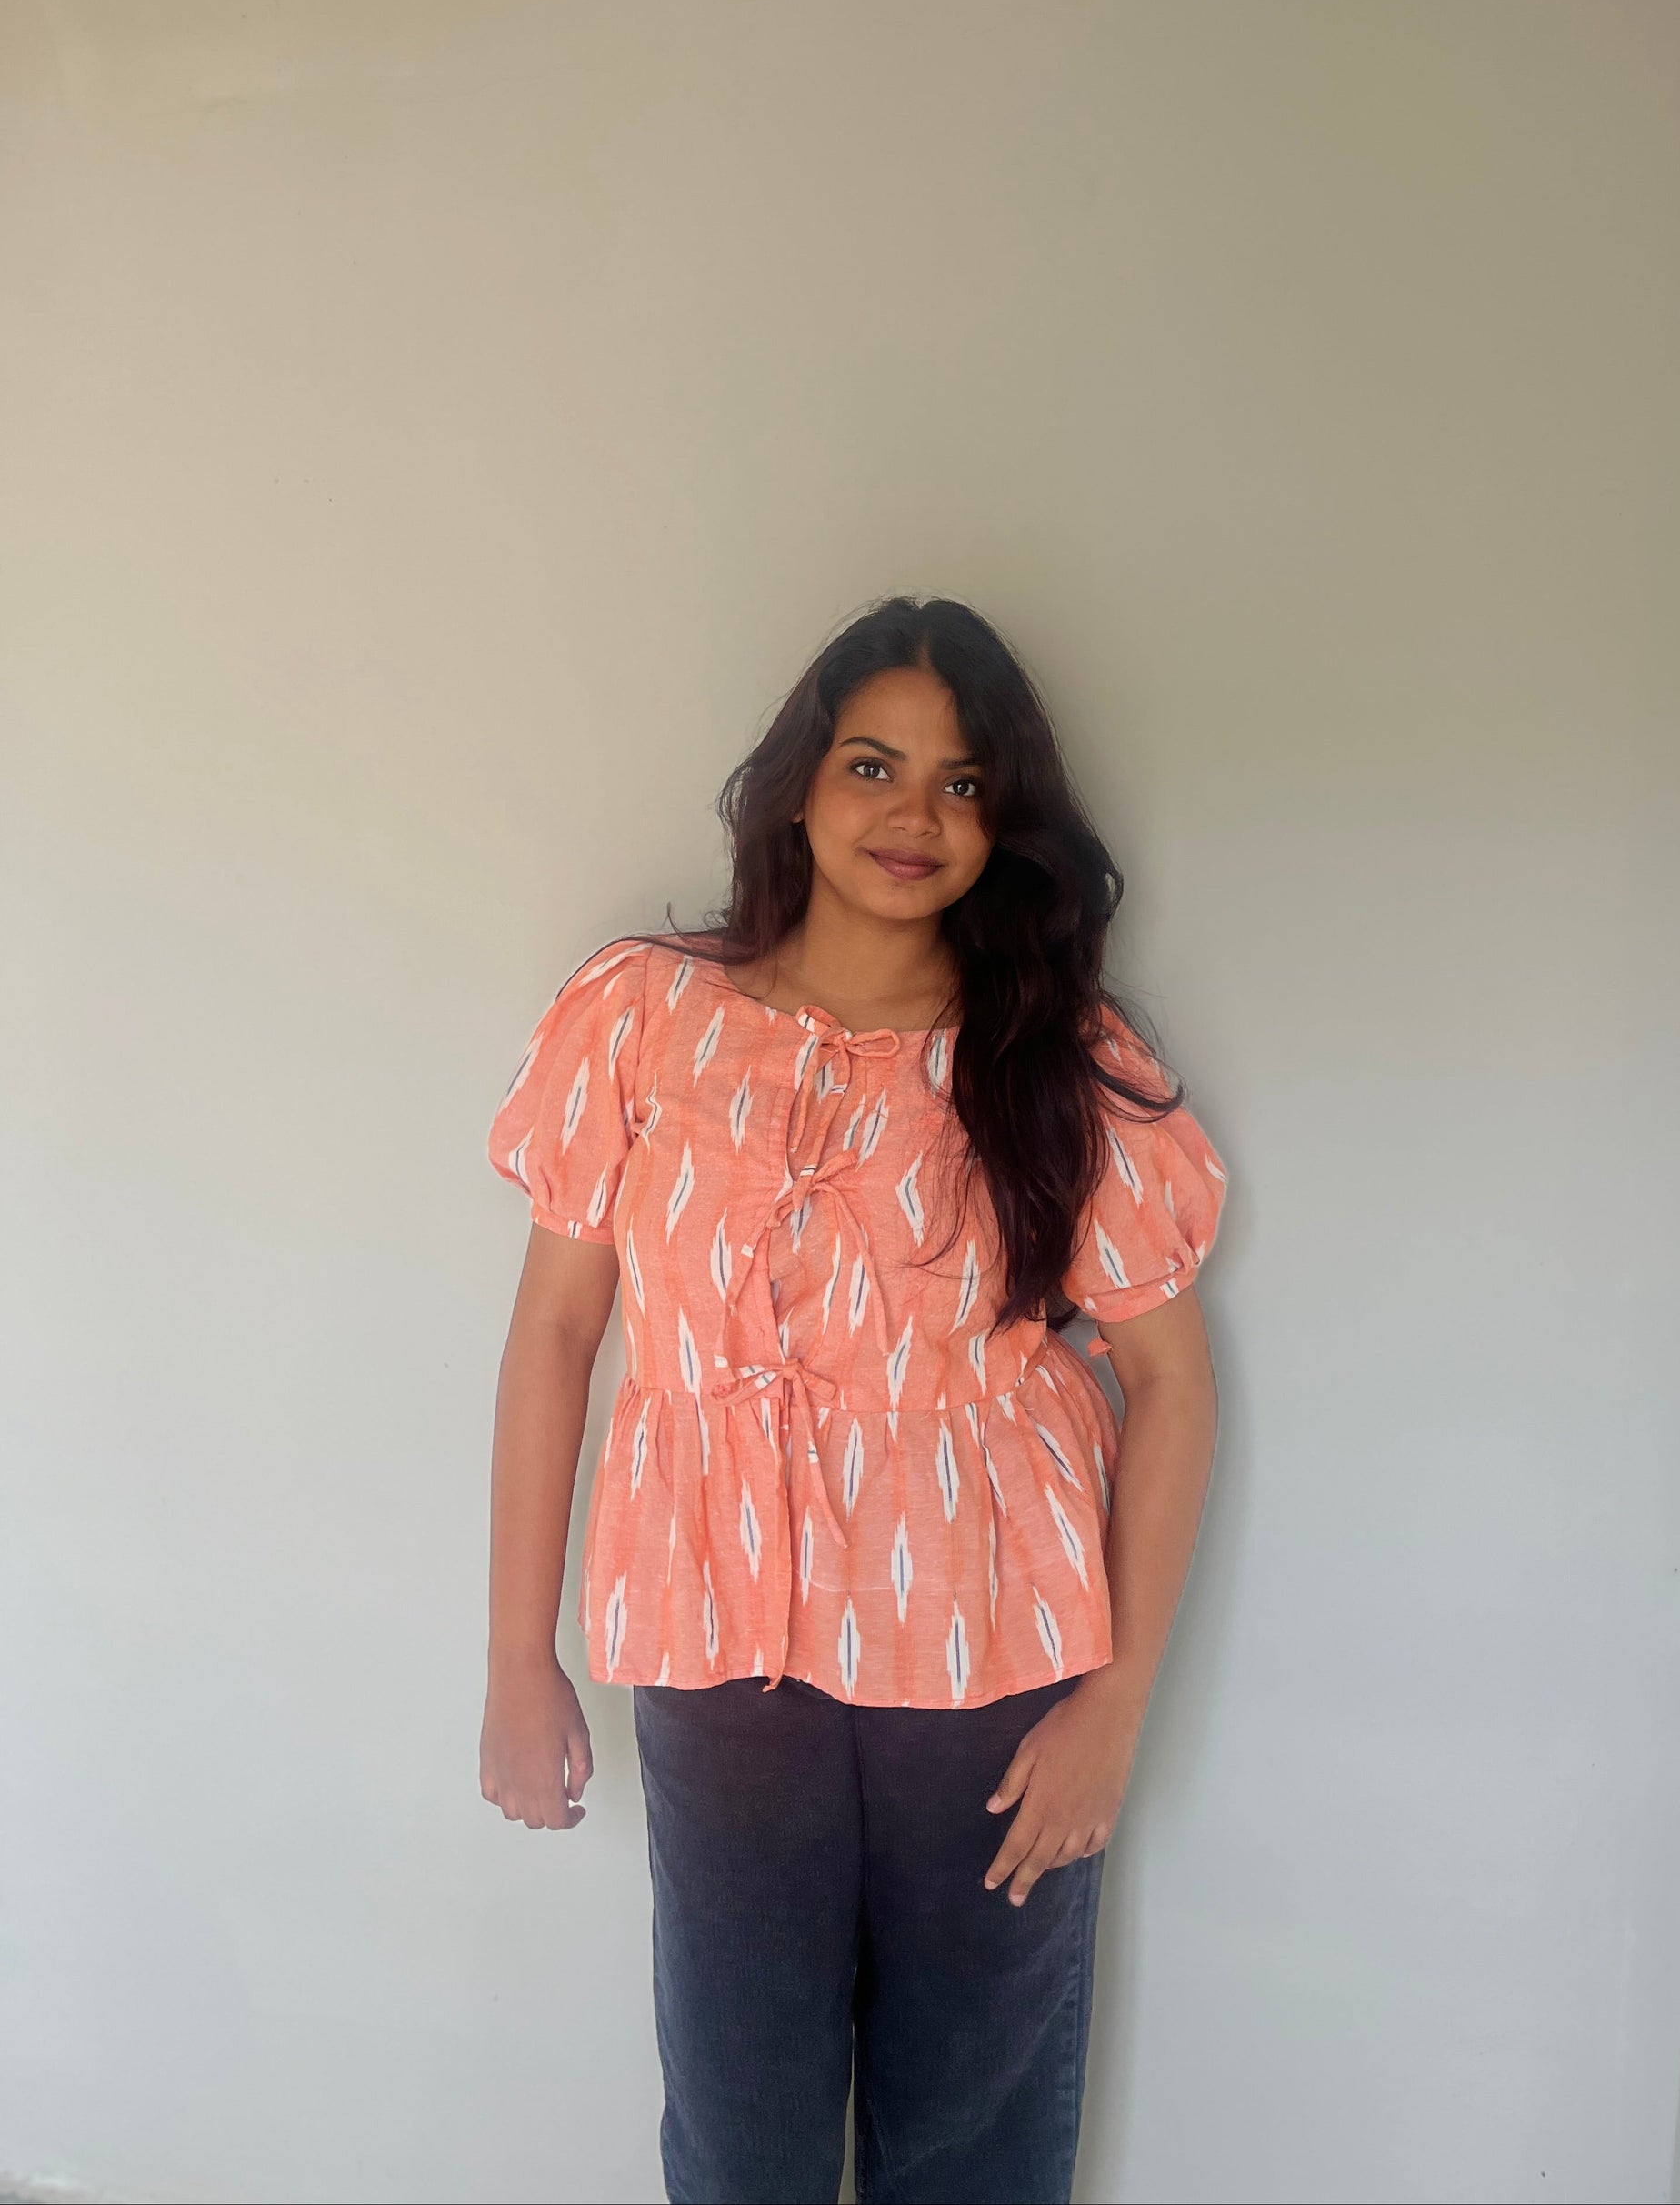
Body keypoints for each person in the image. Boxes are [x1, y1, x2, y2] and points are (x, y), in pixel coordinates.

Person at [478, 594, 1227, 2205]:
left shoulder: (1054, 1056)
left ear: (1004, 820)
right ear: (799, 784)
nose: (914, 814)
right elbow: (553, 1332)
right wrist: (515, 1658)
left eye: (963, 783)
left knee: (971, 2133)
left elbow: (1171, 1379)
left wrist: (1112, 1712)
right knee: (740, 2116)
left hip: (991, 1657)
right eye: (874, 764)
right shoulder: (642, 1016)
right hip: (714, 1644)